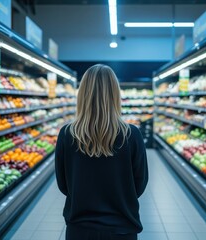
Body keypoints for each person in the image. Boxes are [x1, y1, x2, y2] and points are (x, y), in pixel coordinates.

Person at [55, 64, 148, 240]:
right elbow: (140, 183)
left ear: (82, 94)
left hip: (79, 229)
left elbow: (63, 184)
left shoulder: (67, 134)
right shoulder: (132, 134)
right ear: (115, 94)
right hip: (122, 228)